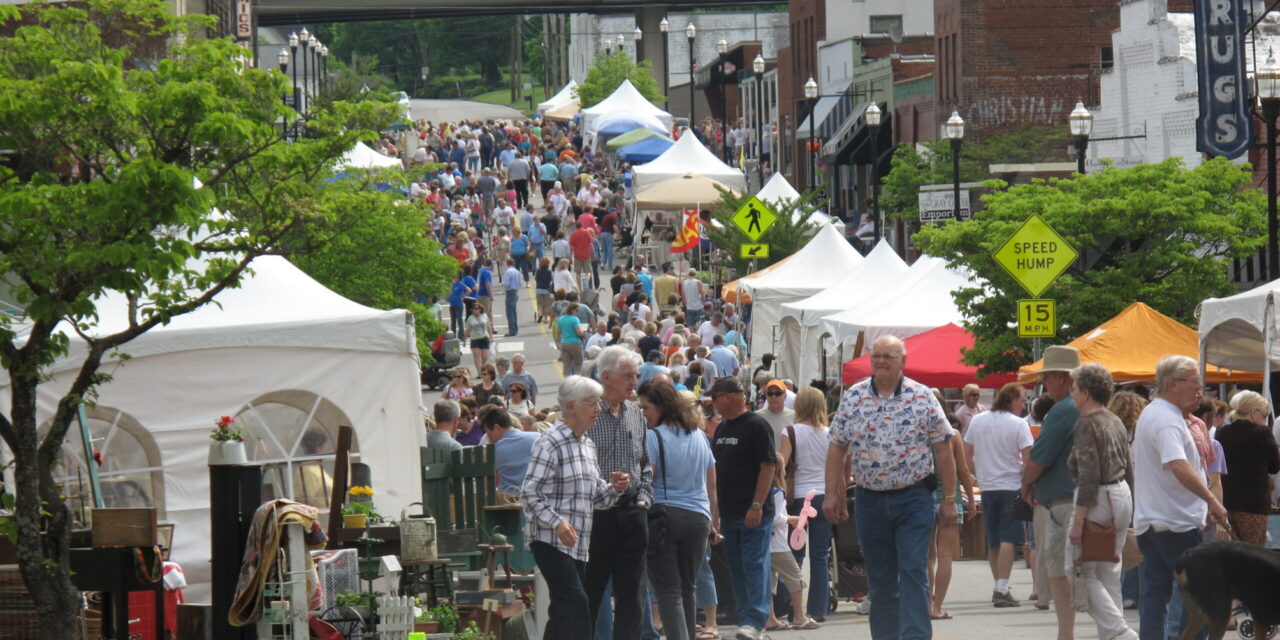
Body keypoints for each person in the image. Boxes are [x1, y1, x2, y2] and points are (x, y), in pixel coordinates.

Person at [823, 335, 957, 640]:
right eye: (877, 356)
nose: (881, 361)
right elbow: (836, 447)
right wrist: (833, 493)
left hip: (914, 499)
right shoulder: (854, 397)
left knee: (912, 570)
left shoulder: (921, 396)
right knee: (880, 580)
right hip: (870, 500)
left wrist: (949, 498)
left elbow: (944, 449)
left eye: (889, 356)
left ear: (903, 361)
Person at [521, 376, 631, 640]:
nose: (599, 409)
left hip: (578, 543)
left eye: (599, 403)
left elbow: (596, 498)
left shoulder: (587, 445)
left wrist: (614, 489)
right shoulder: (549, 443)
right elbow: (529, 493)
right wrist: (557, 522)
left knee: (563, 610)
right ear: (570, 406)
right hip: (549, 540)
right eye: (592, 403)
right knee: (577, 604)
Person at [1132, 355, 1227, 640]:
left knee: (1155, 593)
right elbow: (1178, 465)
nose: (1200, 390)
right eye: (1195, 383)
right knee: (1194, 599)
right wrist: (1211, 499)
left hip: (1155, 520)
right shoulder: (1166, 420)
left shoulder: (1156, 414)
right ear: (1173, 384)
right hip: (1175, 523)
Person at [637, 379, 717, 640]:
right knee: (688, 588)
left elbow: (649, 479)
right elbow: (711, 485)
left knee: (668, 591)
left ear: (661, 407)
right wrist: (714, 522)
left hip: (665, 516)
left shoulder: (653, 436)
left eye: (646, 408)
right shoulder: (699, 436)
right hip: (699, 518)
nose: (644, 414)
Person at [1064, 363, 1137, 640]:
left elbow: (1088, 475)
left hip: (1098, 499)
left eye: (1074, 389)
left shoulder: (1086, 424)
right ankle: (1115, 634)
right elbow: (1128, 465)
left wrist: (1078, 521)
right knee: (1109, 570)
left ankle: (1120, 632)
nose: (1071, 394)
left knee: (1079, 568)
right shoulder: (1114, 420)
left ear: (1085, 392)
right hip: (1121, 495)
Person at [585, 347, 654, 640]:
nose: (634, 382)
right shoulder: (589, 413)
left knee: (632, 595)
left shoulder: (636, 414)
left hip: (632, 512)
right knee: (591, 591)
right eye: (627, 376)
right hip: (597, 514)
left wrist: (644, 498)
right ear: (607, 378)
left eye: (636, 375)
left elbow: (645, 463)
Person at [1021, 345, 1082, 640]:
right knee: (1087, 574)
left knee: (1059, 572)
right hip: (1084, 499)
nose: (1044, 383)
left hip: (1064, 502)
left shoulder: (1062, 410)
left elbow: (1038, 458)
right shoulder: (1086, 406)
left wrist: (1026, 484)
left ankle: (1066, 635)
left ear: (1061, 377)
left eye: (1047, 376)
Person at [709, 376, 777, 640]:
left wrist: (757, 504)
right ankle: (746, 618)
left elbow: (768, 465)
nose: (713, 405)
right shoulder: (724, 428)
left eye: (714, 399)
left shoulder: (757, 426)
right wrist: (715, 514)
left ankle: (755, 620)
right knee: (736, 567)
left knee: (754, 564)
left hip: (753, 511)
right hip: (729, 512)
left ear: (727, 397)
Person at [964, 382, 1034, 607]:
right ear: (1013, 399)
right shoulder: (1018, 424)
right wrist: (1027, 482)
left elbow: (967, 455)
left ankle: (999, 585)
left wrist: (979, 472)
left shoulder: (978, 420)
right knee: (1008, 539)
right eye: (1022, 400)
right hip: (1010, 484)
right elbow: (1028, 457)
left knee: (993, 540)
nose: (1024, 405)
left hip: (987, 486)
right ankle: (1002, 588)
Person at [777, 387, 832, 624]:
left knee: (794, 553)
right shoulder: (830, 433)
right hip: (823, 496)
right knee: (820, 555)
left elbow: (781, 464)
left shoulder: (790, 432)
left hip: (799, 498)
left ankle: (792, 603)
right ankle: (818, 608)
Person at [927, 389, 977, 622]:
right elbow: (963, 471)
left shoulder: (919, 433)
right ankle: (937, 606)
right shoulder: (953, 434)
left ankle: (926, 603)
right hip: (950, 496)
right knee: (946, 555)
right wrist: (970, 500)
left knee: (927, 557)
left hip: (924, 498)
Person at [1216, 390, 1280, 545]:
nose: (1265, 420)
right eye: (1264, 415)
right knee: (1253, 553)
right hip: (1253, 504)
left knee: (1231, 552)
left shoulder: (1222, 432)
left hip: (1227, 500)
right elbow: (1274, 467)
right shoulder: (1263, 433)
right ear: (1253, 412)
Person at [764, 462, 814, 632]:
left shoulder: (764, 491)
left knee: (768, 583)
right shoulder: (778, 492)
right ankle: (799, 616)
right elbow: (776, 518)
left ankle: (770, 618)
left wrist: (789, 517)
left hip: (765, 544)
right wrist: (791, 519)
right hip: (778, 545)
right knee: (796, 578)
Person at [480, 405, 540, 499]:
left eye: (489, 434)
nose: (489, 438)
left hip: (508, 503)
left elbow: (487, 484)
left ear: (497, 428)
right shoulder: (538, 437)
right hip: (539, 499)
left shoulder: (493, 451)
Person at [755, 379, 796, 451]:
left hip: (786, 461)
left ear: (785, 396)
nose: (774, 397)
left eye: (778, 393)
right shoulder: (757, 417)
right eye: (770, 394)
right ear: (766, 396)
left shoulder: (794, 416)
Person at [557, 302, 586, 376]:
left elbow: (558, 332)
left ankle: (567, 382)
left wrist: (559, 342)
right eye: (577, 311)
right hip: (574, 343)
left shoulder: (561, 319)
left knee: (566, 365)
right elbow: (578, 332)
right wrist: (583, 334)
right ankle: (577, 382)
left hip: (564, 342)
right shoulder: (575, 319)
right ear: (572, 310)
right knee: (579, 364)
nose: (577, 312)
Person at [466, 302, 493, 370]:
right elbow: (468, 329)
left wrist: (491, 337)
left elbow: (488, 326)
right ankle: (479, 371)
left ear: (480, 309)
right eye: (473, 309)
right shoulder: (470, 318)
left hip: (484, 337)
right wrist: (464, 339)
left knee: (485, 356)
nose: (475, 310)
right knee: (476, 355)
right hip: (474, 339)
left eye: (477, 308)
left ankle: (482, 367)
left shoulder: (484, 316)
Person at [502, 258, 522, 336]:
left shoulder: (508, 272)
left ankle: (512, 331)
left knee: (509, 312)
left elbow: (506, 283)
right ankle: (515, 329)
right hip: (516, 291)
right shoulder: (517, 271)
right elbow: (520, 282)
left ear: (507, 264)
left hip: (510, 292)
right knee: (514, 311)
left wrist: (504, 287)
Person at [534, 257, 555, 323]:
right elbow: (552, 279)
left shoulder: (538, 271)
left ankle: (540, 314)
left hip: (539, 289)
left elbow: (536, 278)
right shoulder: (549, 272)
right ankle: (546, 319)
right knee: (546, 305)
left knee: (539, 304)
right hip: (547, 290)